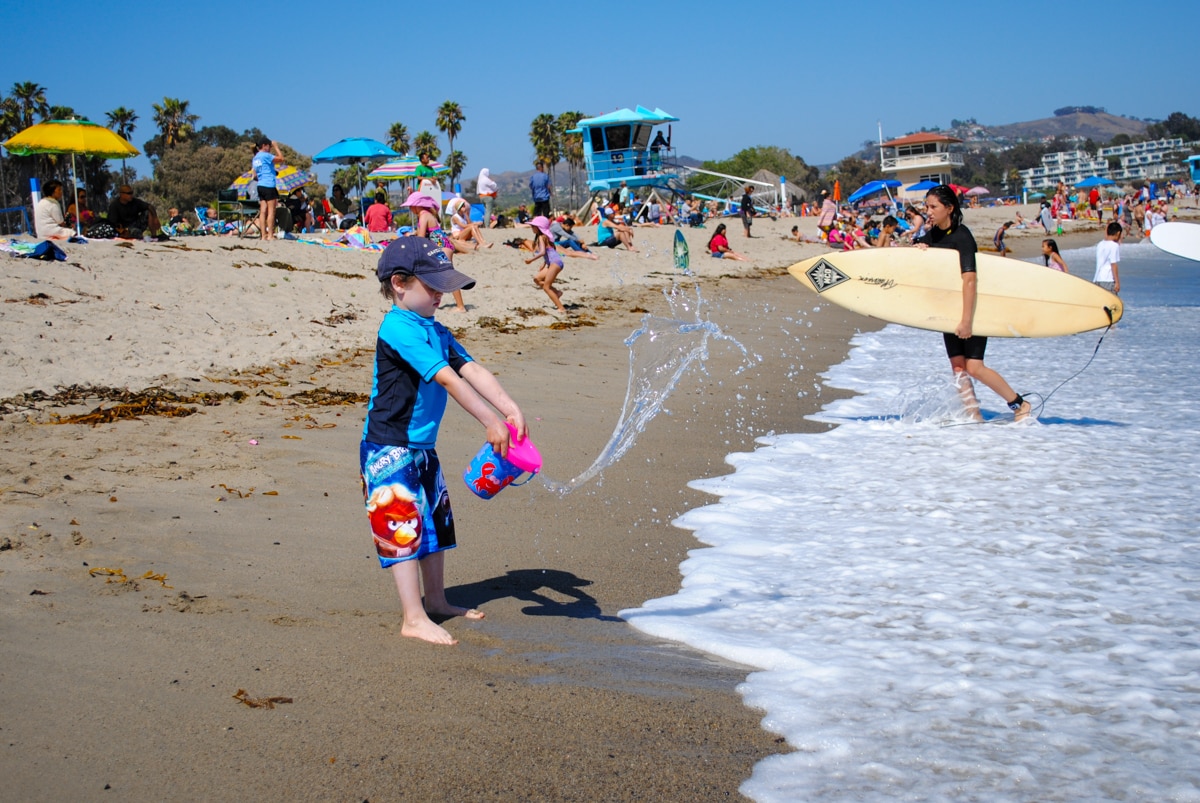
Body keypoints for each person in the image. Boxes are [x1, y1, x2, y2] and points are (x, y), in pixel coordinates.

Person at [362, 237, 528, 645]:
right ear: (399, 283)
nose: (441, 294)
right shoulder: (398, 328)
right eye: (433, 286)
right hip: (389, 448)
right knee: (402, 530)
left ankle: (436, 600)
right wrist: (489, 420)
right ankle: (413, 617)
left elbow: (470, 369)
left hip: (421, 447)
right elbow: (447, 378)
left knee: (435, 524)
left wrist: (508, 408)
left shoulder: (436, 330)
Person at [914, 184, 1030, 422]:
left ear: (949, 208)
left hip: (973, 308)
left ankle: (1020, 404)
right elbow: (920, 256)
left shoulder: (963, 237)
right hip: (949, 309)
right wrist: (920, 247)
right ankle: (974, 416)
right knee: (958, 367)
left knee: (975, 367)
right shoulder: (934, 234)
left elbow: (970, 281)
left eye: (933, 206)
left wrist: (966, 321)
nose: (929, 211)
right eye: (927, 206)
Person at [402, 191, 466, 313]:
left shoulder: (423, 215)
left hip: (442, 247)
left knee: (448, 275)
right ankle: (427, 303)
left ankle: (460, 306)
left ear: (417, 205)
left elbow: (421, 238)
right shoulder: (425, 214)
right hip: (441, 246)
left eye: (410, 206)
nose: (410, 209)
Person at [524, 216, 568, 313]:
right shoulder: (546, 237)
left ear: (539, 227)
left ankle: (561, 308)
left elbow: (543, 252)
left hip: (555, 263)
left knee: (546, 287)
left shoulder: (541, 237)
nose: (532, 228)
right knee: (537, 279)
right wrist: (544, 263)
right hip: (553, 262)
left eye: (533, 226)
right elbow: (550, 251)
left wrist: (531, 260)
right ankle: (557, 292)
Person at [251, 137, 285, 240]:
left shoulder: (255, 158)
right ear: (265, 145)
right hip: (269, 184)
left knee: (263, 211)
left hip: (260, 185)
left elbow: (255, 175)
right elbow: (281, 159)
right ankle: (270, 235)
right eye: (269, 146)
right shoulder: (266, 155)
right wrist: (276, 146)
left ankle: (263, 235)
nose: (270, 148)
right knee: (271, 211)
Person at [1093, 221, 1121, 294]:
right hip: (1108, 280)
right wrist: (1117, 282)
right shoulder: (1114, 246)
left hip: (1097, 279)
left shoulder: (1100, 244)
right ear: (1118, 233)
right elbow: (1113, 265)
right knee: (1111, 304)